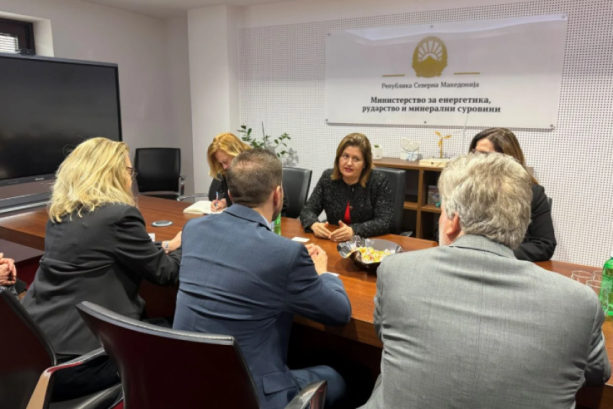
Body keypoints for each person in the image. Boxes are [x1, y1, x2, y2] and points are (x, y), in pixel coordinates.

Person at [360, 153, 610, 409]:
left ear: (453, 222)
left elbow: (384, 334)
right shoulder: (580, 302)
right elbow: (597, 373)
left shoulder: (397, 271)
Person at [174, 149, 351, 409]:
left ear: (230, 194)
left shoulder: (193, 229)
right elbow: (340, 313)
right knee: (337, 378)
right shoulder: (286, 254)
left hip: (190, 386)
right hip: (250, 396)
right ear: (277, 194)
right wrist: (323, 272)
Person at [22, 137, 182, 400]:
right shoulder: (119, 215)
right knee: (178, 334)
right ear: (112, 173)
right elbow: (165, 273)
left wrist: (163, 245)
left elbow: (101, 250)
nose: (131, 178)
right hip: (79, 364)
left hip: (35, 356)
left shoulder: (60, 214)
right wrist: (183, 245)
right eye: (129, 171)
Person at [469, 127, 556, 261]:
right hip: (469, 260)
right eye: (475, 154)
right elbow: (441, 230)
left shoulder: (533, 193)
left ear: (508, 158)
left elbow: (544, 245)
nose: (477, 160)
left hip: (508, 264)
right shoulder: (465, 188)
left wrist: (493, 253)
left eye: (485, 155)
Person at [300, 133, 393, 241]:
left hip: (366, 244)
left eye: (356, 159)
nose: (349, 163)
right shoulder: (328, 177)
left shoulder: (378, 180)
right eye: (345, 156)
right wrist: (314, 224)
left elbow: (384, 222)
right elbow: (307, 210)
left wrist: (354, 230)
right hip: (333, 240)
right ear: (338, 158)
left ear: (365, 164)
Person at [207, 132, 288, 214]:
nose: (224, 167)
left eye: (225, 161)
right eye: (221, 163)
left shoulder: (260, 166)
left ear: (236, 153)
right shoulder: (227, 172)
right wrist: (225, 202)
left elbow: (281, 203)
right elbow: (236, 200)